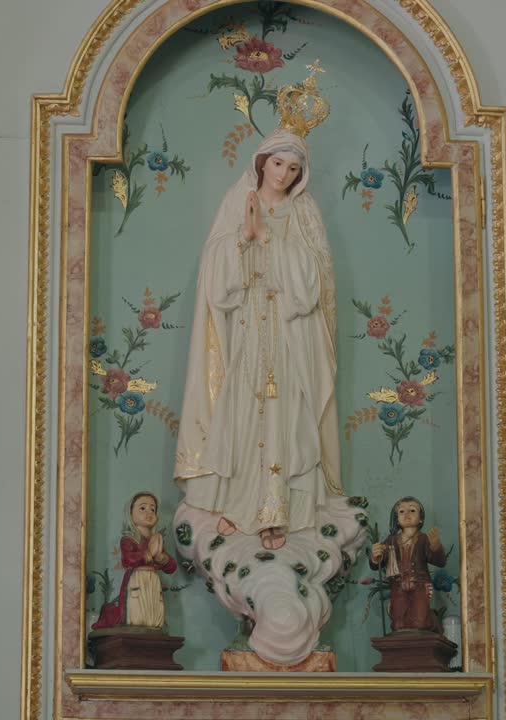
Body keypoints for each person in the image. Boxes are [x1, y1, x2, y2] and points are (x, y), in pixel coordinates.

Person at [172, 126, 343, 552]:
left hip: (288, 333)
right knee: (243, 410)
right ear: (262, 162)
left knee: (286, 413)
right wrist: (242, 239)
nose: (283, 174)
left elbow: (313, 282)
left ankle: (277, 511)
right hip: (247, 327)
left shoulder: (304, 213)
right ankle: (238, 503)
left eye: (293, 167)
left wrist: (267, 238)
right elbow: (213, 271)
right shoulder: (237, 203)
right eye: (278, 163)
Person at [92, 491, 177, 630]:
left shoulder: (156, 540)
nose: (149, 512)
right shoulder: (129, 539)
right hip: (137, 578)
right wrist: (148, 554)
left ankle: (151, 625)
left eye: (153, 509)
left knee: (153, 608)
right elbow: (128, 560)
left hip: (153, 580)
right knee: (137, 609)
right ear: (130, 513)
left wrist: (162, 559)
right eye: (142, 508)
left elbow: (171, 567)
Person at [370, 496, 446, 633]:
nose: (406, 514)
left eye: (412, 510)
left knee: (420, 623)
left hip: (419, 585)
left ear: (421, 518)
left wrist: (435, 547)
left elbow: (440, 561)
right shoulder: (391, 540)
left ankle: (432, 620)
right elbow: (378, 563)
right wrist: (376, 557)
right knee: (398, 625)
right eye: (401, 511)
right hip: (398, 586)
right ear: (396, 519)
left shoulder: (423, 539)